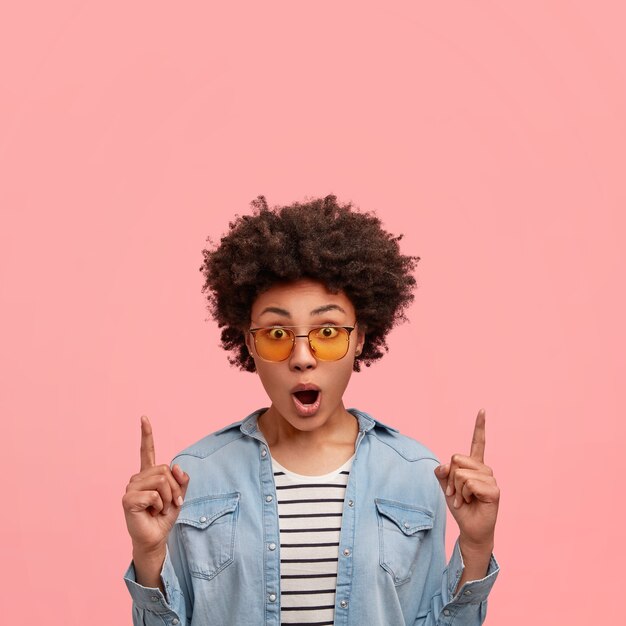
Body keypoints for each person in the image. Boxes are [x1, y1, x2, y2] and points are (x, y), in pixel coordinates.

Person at [122, 195, 500, 625]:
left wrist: (475, 547)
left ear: (360, 339)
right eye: (278, 332)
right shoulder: (194, 476)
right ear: (249, 343)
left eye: (327, 331)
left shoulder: (417, 474)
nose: (302, 357)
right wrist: (149, 556)